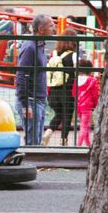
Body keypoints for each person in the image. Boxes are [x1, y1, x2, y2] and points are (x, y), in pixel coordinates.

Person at [16, 14, 54, 145]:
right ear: (41, 29)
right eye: (51, 26)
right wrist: (25, 105)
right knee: (32, 141)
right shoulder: (30, 47)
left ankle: (33, 164)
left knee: (36, 140)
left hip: (38, 99)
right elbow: (21, 75)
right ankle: (30, 164)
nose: (53, 28)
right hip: (31, 100)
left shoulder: (39, 46)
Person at [43, 29, 78, 146]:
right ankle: (64, 140)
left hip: (53, 91)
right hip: (67, 91)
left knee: (58, 114)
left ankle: (48, 131)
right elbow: (77, 72)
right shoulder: (73, 55)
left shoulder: (54, 54)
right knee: (67, 115)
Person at [71, 59, 99, 147]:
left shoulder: (76, 80)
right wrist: (95, 104)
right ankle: (78, 145)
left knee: (85, 125)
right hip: (87, 106)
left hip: (78, 105)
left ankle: (88, 144)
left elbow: (73, 93)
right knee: (84, 126)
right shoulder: (92, 80)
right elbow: (95, 95)